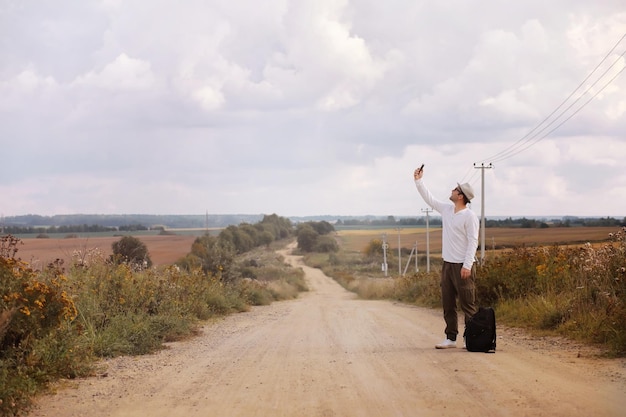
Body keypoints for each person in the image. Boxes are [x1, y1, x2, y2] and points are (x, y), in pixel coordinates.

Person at [413, 165, 479, 349]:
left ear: (461, 196)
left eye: (455, 189)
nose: (452, 189)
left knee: (468, 304)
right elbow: (430, 199)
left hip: (463, 266)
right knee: (448, 303)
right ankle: (451, 338)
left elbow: (473, 241)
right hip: (447, 265)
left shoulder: (470, 216)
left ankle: (471, 338)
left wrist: (467, 265)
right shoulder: (447, 210)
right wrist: (419, 181)